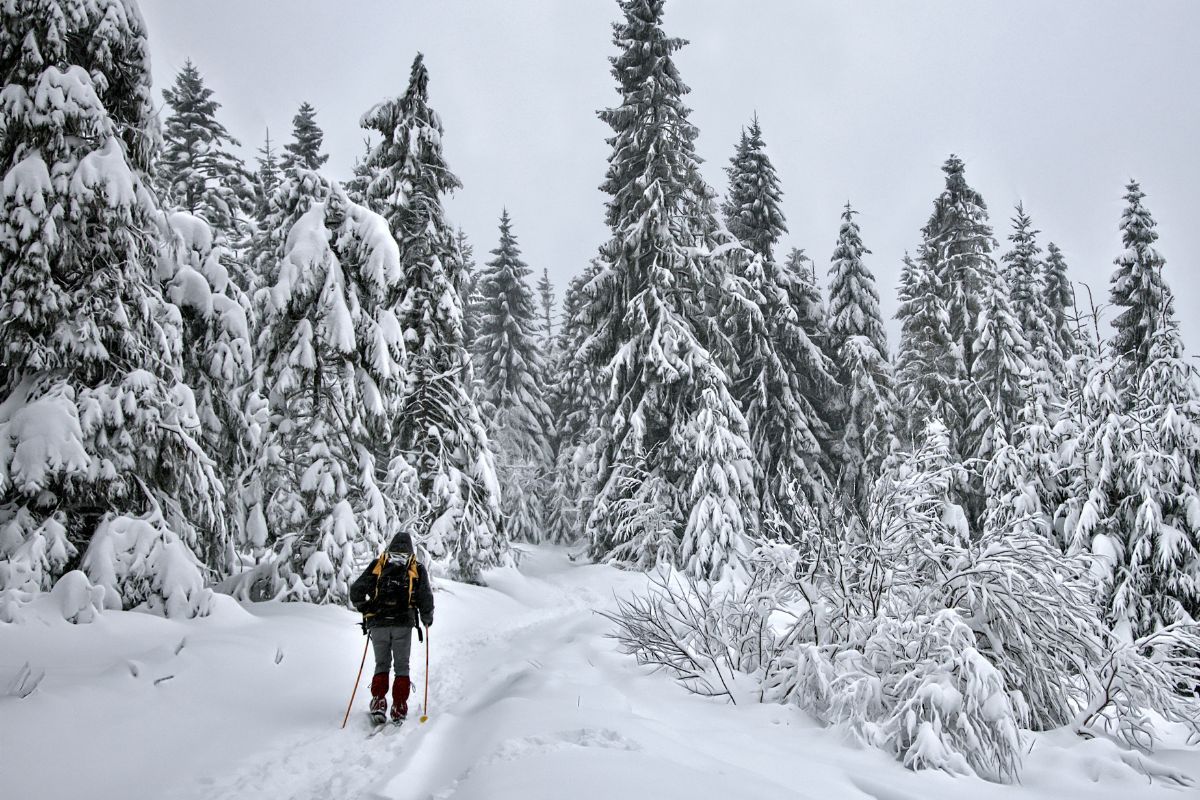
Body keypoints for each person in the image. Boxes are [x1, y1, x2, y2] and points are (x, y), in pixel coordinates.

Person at [350, 531, 434, 723]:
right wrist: (427, 618)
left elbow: (356, 591)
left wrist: (366, 608)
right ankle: (399, 707)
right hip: (403, 624)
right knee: (402, 666)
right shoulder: (416, 568)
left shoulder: (378, 564)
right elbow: (425, 598)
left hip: (378, 623)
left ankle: (379, 701)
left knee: (382, 664)